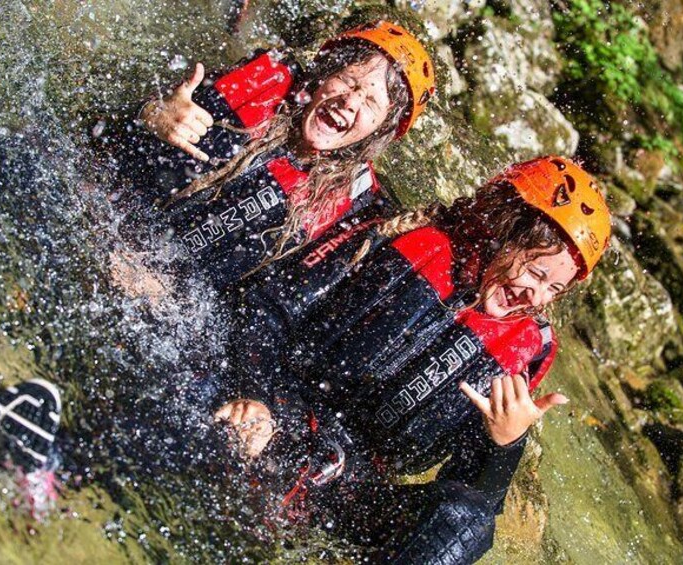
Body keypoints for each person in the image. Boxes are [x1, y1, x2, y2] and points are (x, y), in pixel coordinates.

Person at [211, 155, 612, 561]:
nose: (536, 297)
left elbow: (474, 507)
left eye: (554, 289)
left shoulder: (520, 352)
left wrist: (504, 446)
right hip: (271, 413)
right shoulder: (397, 237)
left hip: (348, 493)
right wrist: (255, 396)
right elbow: (264, 310)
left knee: (467, 517)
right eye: (535, 274)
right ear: (500, 230)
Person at [95, 20, 436, 292]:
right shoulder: (265, 81)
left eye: (371, 103)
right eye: (348, 81)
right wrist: (154, 113)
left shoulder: (353, 205)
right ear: (323, 76)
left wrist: (168, 288)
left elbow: (253, 299)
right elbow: (105, 133)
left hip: (164, 285)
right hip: (107, 207)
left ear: (379, 131)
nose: (350, 102)